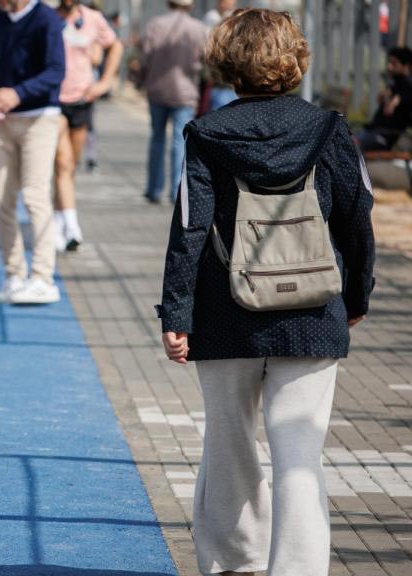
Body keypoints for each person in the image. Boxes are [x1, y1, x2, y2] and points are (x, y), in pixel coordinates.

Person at [158, 9, 375, 576]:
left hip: (226, 311)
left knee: (229, 447)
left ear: (229, 65)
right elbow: (357, 219)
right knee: (299, 456)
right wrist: (356, 297)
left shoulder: (206, 134)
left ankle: (235, 564)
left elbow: (189, 229)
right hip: (312, 309)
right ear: (295, 59)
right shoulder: (330, 129)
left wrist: (176, 313)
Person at [0, 0, 66, 304]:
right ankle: (14, 275)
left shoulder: (46, 19)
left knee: (34, 195)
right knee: (0, 197)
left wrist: (17, 93)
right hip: (4, 120)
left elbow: (56, 71)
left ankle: (43, 278)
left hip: (40, 118)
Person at [53, 0, 123, 251]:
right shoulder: (49, 17)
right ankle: (70, 227)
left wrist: (104, 83)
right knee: (62, 162)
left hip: (82, 99)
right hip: (54, 100)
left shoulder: (92, 19)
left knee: (70, 167)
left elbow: (115, 46)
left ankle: (59, 218)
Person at [140, 0, 206, 204]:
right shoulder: (199, 28)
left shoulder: (155, 25)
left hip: (157, 89)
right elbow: (207, 59)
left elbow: (145, 57)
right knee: (180, 141)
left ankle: (153, 189)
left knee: (157, 139)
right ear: (190, 5)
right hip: (185, 92)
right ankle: (177, 190)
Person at [356, 47, 412, 152]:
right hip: (374, 131)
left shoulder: (407, 88)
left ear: (406, 66)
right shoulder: (395, 84)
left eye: (394, 64)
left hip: (383, 137)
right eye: (389, 62)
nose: (389, 67)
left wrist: (389, 98)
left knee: (350, 144)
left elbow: (388, 111)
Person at [202, 0, 239, 111]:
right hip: (217, 77)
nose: (229, 5)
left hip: (231, 79)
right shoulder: (212, 17)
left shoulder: (235, 17)